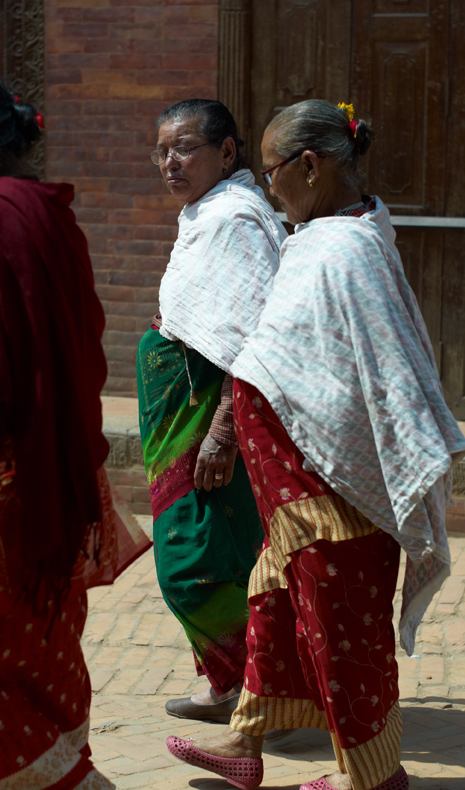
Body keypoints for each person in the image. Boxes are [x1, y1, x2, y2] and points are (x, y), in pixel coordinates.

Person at [165, 99, 465, 790]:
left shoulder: (347, 251)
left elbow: (375, 377)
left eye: (272, 173)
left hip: (336, 494)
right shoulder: (320, 236)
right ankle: (245, 744)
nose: (268, 189)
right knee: (271, 608)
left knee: (342, 637)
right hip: (296, 498)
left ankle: (373, 778)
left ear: (310, 165)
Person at [0, 74, 150, 790]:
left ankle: (70, 784)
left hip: (1, 489)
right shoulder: (44, 214)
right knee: (30, 647)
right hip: (45, 480)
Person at [137, 99, 286, 722]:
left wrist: (224, 428)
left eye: (185, 148)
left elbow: (250, 333)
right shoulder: (208, 212)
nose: (170, 162)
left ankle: (264, 690)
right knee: (222, 556)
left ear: (228, 152)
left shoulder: (236, 220)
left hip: (209, 426)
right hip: (182, 421)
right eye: (162, 151)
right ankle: (230, 687)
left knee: (192, 564)